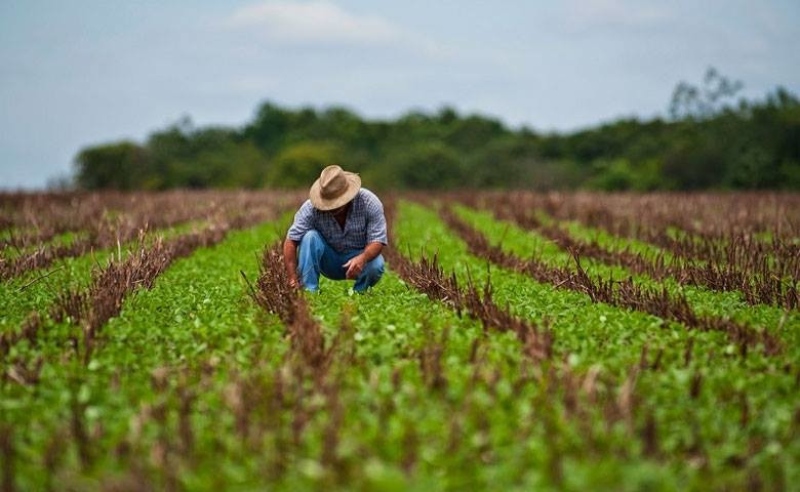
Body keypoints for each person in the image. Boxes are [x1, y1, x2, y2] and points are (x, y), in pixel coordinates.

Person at [283, 165, 387, 293]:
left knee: (376, 264)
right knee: (310, 237)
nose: (333, 208)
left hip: (359, 258)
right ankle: (309, 292)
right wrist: (292, 278)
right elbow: (291, 241)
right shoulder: (310, 208)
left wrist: (362, 258)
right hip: (329, 260)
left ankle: (359, 293)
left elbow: (377, 241)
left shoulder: (369, 202)